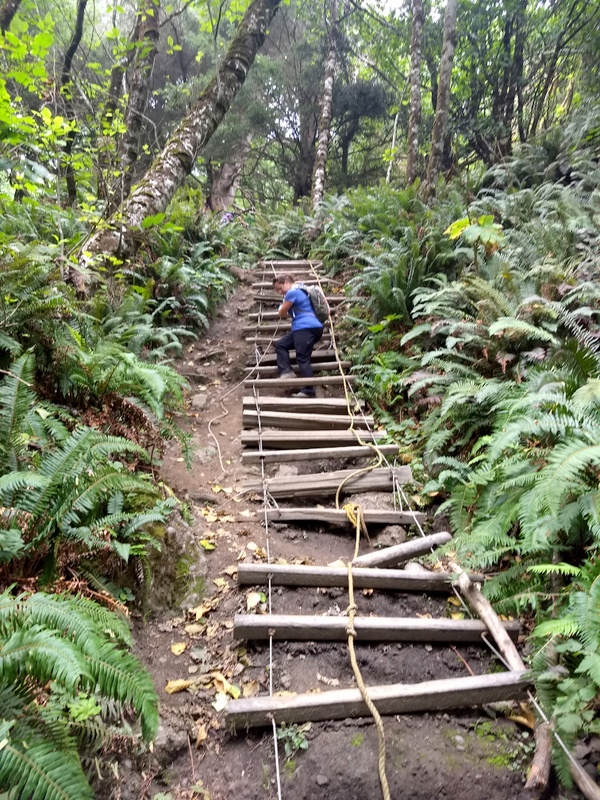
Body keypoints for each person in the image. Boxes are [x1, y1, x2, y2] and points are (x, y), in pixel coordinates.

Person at [272, 274, 324, 398]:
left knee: (302, 358)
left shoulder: (292, 292)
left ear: (286, 282)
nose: (280, 292)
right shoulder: (301, 289)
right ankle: (286, 372)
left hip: (305, 328)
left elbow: (281, 312)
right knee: (281, 344)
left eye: (280, 288)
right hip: (309, 328)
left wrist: (282, 303)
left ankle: (309, 390)